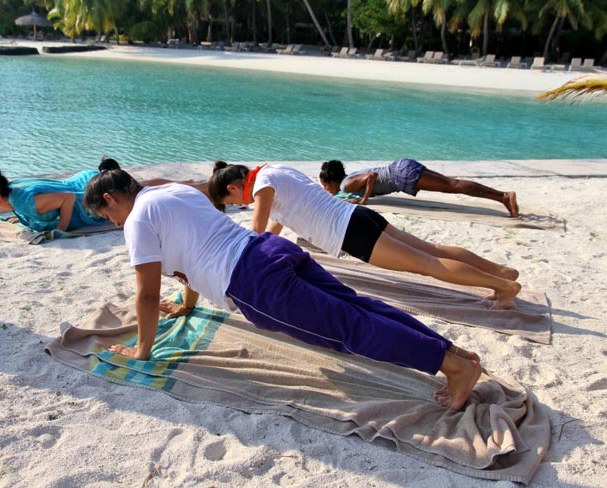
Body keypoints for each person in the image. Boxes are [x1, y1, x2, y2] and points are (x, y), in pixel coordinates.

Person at [84, 158, 482, 411]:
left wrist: (142, 351)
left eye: (106, 216)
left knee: (351, 329)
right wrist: (188, 304)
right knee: (357, 306)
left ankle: (452, 366)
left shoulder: (136, 222)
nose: (111, 224)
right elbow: (191, 255)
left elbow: (148, 292)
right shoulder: (170, 191)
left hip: (252, 281)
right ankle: (449, 350)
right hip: (268, 248)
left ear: (111, 199)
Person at [209, 162, 521, 309]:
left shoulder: (262, 187)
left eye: (232, 202)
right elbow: (276, 227)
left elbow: (256, 232)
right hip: (358, 217)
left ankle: (503, 286)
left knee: (428, 264)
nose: (239, 205)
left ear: (235, 187)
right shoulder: (275, 171)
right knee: (432, 250)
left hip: (351, 232)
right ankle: (500, 271)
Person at [0, 165, 209, 233]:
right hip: (84, 182)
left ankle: (196, 188)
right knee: (141, 189)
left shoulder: (24, 201)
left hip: (86, 193)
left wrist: (61, 231)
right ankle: (188, 185)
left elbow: (65, 199)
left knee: (141, 193)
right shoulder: (14, 195)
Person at [319, 159, 519, 217]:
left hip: (401, 174)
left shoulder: (347, 183)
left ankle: (503, 197)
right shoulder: (348, 181)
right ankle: (502, 197)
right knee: (452, 184)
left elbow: (372, 176)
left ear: (331, 182)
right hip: (402, 167)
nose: (327, 190)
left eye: (325, 186)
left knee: (453, 186)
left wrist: (364, 201)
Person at [0, 166, 107, 232]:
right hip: (85, 178)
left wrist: (61, 230)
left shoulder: (24, 201)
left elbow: (68, 198)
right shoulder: (12, 191)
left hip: (94, 189)